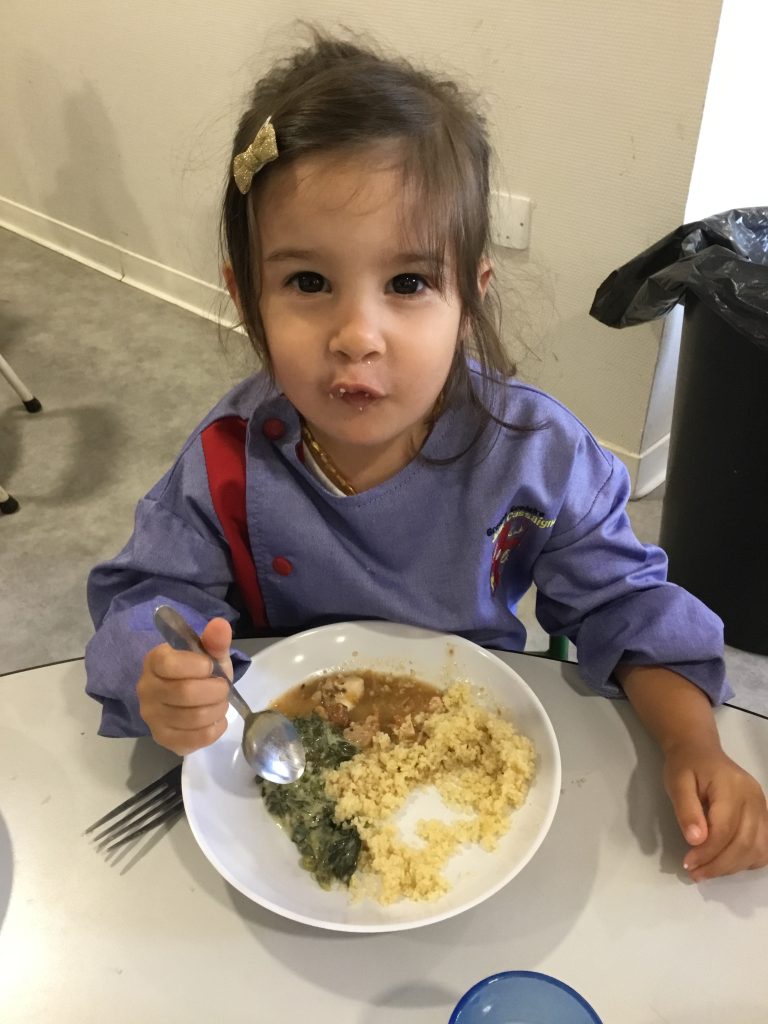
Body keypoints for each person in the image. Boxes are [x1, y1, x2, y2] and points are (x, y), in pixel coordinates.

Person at [85, 31, 767, 882]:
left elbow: (628, 608)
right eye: (307, 282)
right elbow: (139, 603)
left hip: (465, 757)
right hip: (278, 772)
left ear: (469, 298)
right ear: (246, 295)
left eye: (407, 283)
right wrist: (162, 676)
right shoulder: (228, 457)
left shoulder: (536, 456)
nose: (357, 336)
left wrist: (693, 742)